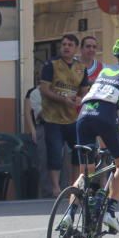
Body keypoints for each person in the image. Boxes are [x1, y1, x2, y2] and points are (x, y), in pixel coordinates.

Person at [66, 37, 119, 232]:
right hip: (105, 117)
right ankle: (109, 211)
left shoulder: (105, 70)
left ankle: (69, 215)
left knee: (84, 173)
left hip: (83, 116)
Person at [40, 33, 89, 195]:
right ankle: (55, 188)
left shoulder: (81, 68)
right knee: (55, 154)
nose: (66, 47)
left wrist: (79, 99)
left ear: (75, 48)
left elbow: (84, 91)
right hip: (53, 117)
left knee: (78, 153)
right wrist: (63, 100)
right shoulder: (51, 65)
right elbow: (44, 89)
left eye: (70, 45)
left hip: (73, 118)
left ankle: (74, 185)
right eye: (64, 44)